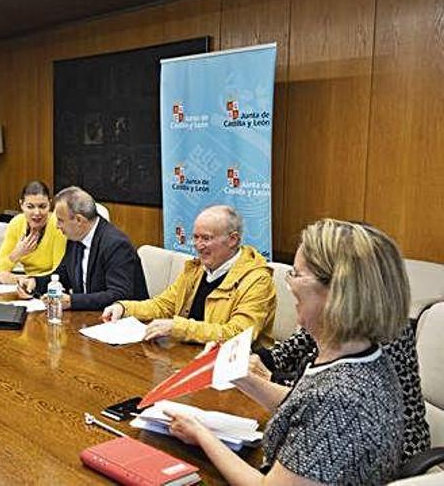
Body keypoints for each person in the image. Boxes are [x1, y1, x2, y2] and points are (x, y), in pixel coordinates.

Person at [164, 219, 408, 484]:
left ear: (336, 292)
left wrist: (202, 435)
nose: (289, 284)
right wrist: (235, 373)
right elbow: (301, 403)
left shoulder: (337, 400)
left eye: (297, 274)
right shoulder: (363, 355)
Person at [254, 322, 430, 462]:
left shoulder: (384, 329)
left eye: (297, 274)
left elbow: (326, 393)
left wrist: (269, 378)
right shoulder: (331, 310)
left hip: (390, 445)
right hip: (338, 428)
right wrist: (257, 360)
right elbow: (289, 351)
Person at [101, 205, 275, 346]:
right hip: (187, 356)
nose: (198, 246)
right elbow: (164, 305)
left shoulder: (257, 280)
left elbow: (237, 335)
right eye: (195, 237)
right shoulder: (196, 268)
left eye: (206, 238)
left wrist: (177, 327)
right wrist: (124, 308)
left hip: (235, 371)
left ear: (233, 239)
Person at [16, 186, 147, 311]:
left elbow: (119, 294)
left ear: (79, 220)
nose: (57, 226)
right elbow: (63, 275)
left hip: (121, 324)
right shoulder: (75, 238)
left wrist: (72, 301)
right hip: (89, 319)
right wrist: (35, 283)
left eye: (61, 220)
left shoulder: (116, 244)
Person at [0, 181, 66, 284]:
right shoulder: (16, 223)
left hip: (49, 286)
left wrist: (19, 280)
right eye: (30, 207)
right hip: (26, 284)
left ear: (50, 204)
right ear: (21, 205)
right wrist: (17, 253)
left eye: (42, 206)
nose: (37, 213)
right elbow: (0, 269)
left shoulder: (58, 225)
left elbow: (58, 274)